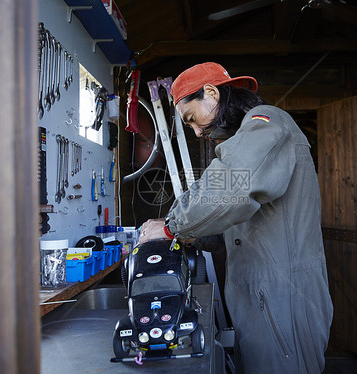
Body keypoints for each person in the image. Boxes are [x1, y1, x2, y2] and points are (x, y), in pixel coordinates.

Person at [138, 62, 333, 373]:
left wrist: (171, 227)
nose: (198, 132)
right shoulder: (247, 138)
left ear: (212, 93)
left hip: (282, 294)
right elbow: (237, 223)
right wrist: (193, 234)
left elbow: (229, 188)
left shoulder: (267, 124)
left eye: (192, 119)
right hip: (260, 293)